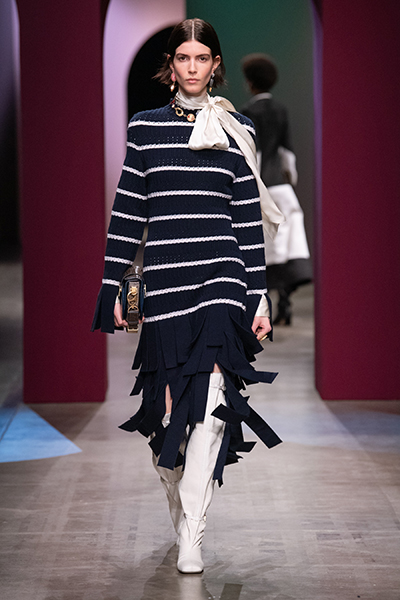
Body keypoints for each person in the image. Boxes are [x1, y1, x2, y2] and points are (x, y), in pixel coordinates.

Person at [92, 19, 283, 575]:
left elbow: (246, 221)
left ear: (215, 64)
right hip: (165, 284)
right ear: (171, 65)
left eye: (202, 57)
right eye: (184, 57)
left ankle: (193, 536)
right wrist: (113, 284)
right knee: (166, 420)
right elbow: (128, 211)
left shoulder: (237, 129)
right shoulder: (146, 128)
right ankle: (182, 513)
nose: (193, 67)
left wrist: (258, 297)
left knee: (212, 405)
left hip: (221, 280)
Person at [241, 53, 312, 325]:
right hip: (282, 189)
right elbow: (287, 153)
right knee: (286, 247)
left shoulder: (248, 112)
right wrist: (290, 179)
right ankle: (285, 304)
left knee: (264, 249)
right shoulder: (280, 110)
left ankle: (265, 310)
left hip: (262, 188)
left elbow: (254, 153)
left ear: (250, 82)